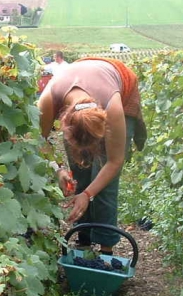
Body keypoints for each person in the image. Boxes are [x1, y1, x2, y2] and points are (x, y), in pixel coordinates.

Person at [37, 58, 147, 254]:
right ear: (64, 123)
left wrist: (88, 194)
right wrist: (59, 169)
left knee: (104, 183)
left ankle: (106, 250)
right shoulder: (48, 100)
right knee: (79, 174)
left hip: (119, 86)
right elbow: (39, 140)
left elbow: (114, 162)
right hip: (84, 76)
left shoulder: (113, 108)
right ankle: (84, 239)